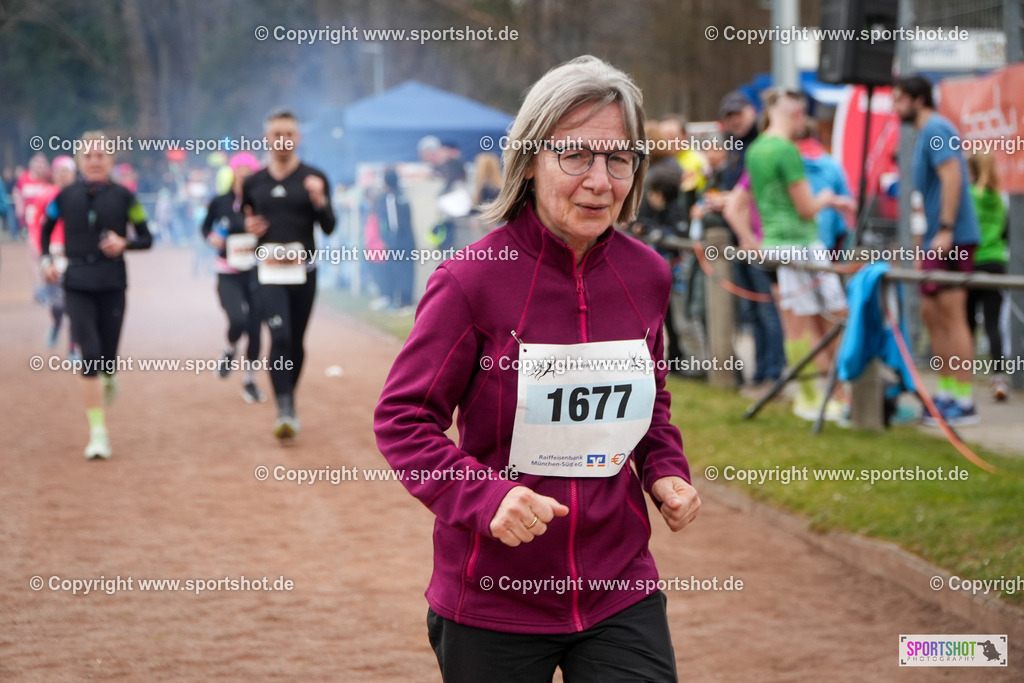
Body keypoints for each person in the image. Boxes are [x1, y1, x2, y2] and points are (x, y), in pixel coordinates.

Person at [375, 55, 700, 682]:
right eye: (575, 155)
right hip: (493, 595)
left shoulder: (647, 275)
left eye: (618, 159)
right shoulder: (470, 280)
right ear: (529, 161)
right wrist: (484, 496)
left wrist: (664, 471)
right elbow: (403, 419)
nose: (600, 181)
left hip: (619, 588)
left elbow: (649, 403)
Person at [39, 131, 153, 459]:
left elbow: (147, 237)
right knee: (88, 354)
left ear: (111, 160)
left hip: (112, 283)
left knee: (106, 356)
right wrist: (47, 259)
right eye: (88, 156)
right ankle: (98, 433)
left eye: (101, 155)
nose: (94, 161)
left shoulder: (126, 198)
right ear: (79, 161)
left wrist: (125, 243)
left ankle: (109, 373)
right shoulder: (64, 196)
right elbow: (46, 228)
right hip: (76, 282)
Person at [745, 88, 856, 421]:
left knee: (797, 327)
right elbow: (806, 209)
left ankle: (810, 398)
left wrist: (749, 239)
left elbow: (747, 200)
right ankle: (836, 398)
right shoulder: (785, 150)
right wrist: (828, 198)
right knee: (837, 320)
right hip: (803, 246)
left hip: (775, 246)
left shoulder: (756, 148)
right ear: (796, 115)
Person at [893, 76, 982, 426]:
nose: (895, 107)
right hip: (933, 239)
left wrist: (945, 229)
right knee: (931, 312)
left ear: (918, 99)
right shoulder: (921, 136)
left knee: (952, 313)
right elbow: (920, 201)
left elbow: (952, 177)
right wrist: (921, 244)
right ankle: (945, 396)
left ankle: (964, 401)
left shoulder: (937, 129)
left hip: (953, 238)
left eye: (900, 100)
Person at [243, 109, 335, 440]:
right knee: (279, 337)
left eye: (289, 133)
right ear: (267, 138)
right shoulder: (253, 182)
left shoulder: (315, 177)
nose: (282, 139)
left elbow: (329, 226)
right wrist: (249, 228)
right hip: (267, 271)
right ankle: (284, 409)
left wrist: (319, 200)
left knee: (295, 342)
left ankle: (288, 400)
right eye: (276, 133)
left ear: (298, 138)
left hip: (304, 272)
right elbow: (246, 224)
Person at [201, 152, 266, 404]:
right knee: (237, 319)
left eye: (249, 174)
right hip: (228, 271)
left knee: (255, 328)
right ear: (233, 175)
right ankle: (229, 349)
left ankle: (249, 380)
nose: (244, 178)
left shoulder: (262, 202)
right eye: (240, 173)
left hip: (257, 271)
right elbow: (205, 226)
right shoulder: (220, 202)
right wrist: (211, 237)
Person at [965, 152, 1009, 402]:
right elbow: (1004, 232)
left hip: (974, 262)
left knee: (968, 322)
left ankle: (964, 379)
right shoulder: (999, 199)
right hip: (997, 262)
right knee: (993, 324)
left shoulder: (971, 196)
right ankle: (999, 377)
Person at [38, 155, 79, 354]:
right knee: (57, 305)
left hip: (74, 255)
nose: (63, 176)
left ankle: (73, 348)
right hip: (53, 254)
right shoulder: (46, 197)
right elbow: (38, 228)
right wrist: (43, 256)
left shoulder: (81, 196)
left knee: (75, 304)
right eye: (60, 172)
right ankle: (56, 325)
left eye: (67, 171)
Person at [374, 167, 416, 311]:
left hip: (399, 241)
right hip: (406, 239)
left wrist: (389, 240)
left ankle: (405, 302)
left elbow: (393, 224)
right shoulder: (403, 195)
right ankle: (400, 300)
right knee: (402, 271)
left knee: (403, 271)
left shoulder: (391, 198)